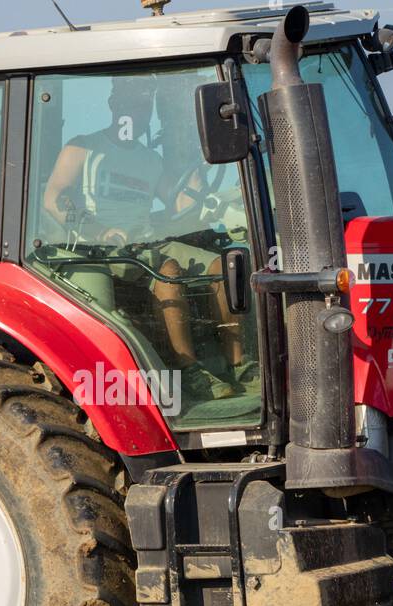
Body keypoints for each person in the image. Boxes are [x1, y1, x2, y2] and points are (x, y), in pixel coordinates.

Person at [40, 75, 243, 401]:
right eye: (130, 106)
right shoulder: (84, 147)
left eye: (143, 108)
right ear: (113, 105)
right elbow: (54, 198)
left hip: (148, 241)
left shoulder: (151, 159)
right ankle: (189, 370)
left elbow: (181, 205)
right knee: (170, 269)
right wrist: (100, 232)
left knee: (226, 265)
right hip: (103, 249)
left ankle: (239, 366)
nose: (137, 115)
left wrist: (196, 164)